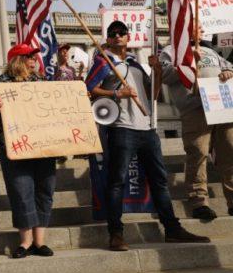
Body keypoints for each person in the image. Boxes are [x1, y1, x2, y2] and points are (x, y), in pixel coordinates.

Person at [87, 20, 210, 251]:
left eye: (121, 32)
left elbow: (152, 95)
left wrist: (158, 71)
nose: (117, 36)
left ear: (127, 37)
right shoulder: (103, 62)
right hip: (121, 128)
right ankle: (115, 233)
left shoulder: (134, 63)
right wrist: (117, 92)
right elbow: (89, 88)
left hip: (147, 128)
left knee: (159, 181)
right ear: (108, 38)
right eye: (112, 34)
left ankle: (172, 229)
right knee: (116, 182)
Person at [0, 44, 57, 258]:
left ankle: (40, 242)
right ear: (16, 60)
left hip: (43, 144)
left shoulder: (42, 82)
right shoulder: (0, 83)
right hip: (15, 145)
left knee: (45, 190)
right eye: (29, 57)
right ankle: (25, 241)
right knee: (21, 191)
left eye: (34, 57)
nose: (34, 60)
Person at [160, 39, 233, 220]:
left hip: (222, 104)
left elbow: (228, 66)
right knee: (198, 152)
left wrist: (228, 72)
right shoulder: (170, 50)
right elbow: (163, 74)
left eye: (199, 26)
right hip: (195, 107)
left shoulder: (210, 50)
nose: (198, 29)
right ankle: (199, 200)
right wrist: (188, 63)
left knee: (229, 151)